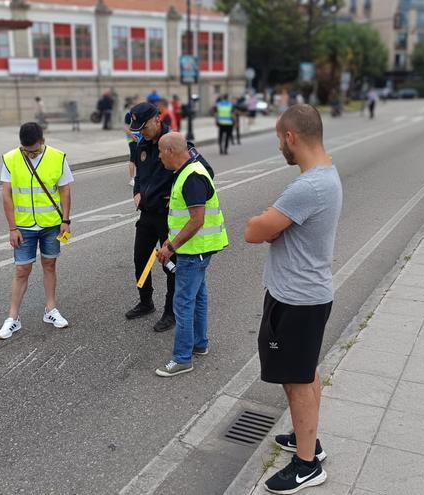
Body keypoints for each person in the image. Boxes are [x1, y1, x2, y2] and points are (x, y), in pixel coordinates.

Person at [244, 104, 343, 494]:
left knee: (297, 381)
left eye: (278, 140)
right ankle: (309, 443)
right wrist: (275, 225)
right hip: (304, 294)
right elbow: (273, 227)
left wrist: (270, 223)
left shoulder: (309, 186)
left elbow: (254, 231)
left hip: (298, 299)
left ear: (291, 138)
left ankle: (306, 466)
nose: (279, 148)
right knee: (305, 372)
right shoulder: (323, 174)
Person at [154, 132, 228, 377]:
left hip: (193, 251)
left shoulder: (192, 177)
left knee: (183, 303)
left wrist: (171, 247)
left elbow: (197, 220)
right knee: (198, 297)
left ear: (171, 152)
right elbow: (184, 217)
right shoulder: (188, 171)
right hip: (197, 248)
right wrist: (171, 239)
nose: (159, 156)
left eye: (160, 152)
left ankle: (182, 358)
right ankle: (200, 344)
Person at [0, 122, 74, 340]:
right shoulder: (11, 159)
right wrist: (12, 228)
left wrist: (65, 220)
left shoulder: (58, 157)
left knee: (49, 265)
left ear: (43, 141)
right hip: (24, 227)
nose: (31, 154)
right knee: (22, 270)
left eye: (35, 150)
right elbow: (6, 195)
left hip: (51, 224)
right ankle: (13, 318)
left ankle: (51, 310)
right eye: (27, 150)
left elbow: (65, 191)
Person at [125, 102, 177, 333]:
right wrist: (136, 192)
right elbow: (139, 173)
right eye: (137, 129)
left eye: (144, 127)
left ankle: (170, 311)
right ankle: (146, 302)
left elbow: (196, 171)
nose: (141, 132)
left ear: (157, 119)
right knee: (140, 259)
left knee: (170, 265)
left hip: (168, 217)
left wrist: (174, 198)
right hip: (147, 215)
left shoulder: (174, 142)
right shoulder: (142, 145)